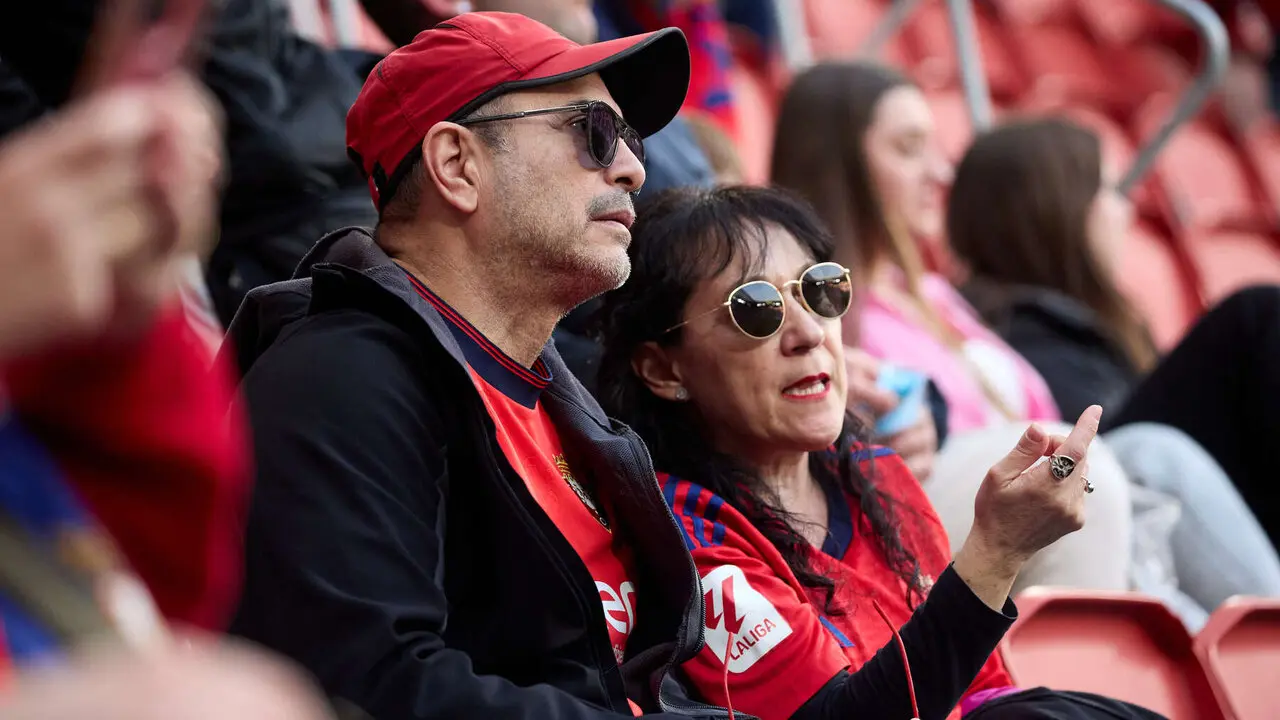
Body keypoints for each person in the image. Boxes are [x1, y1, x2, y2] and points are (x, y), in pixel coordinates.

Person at [225, 11, 735, 718]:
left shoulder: (561, 400)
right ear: (458, 165)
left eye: (629, 139)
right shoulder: (340, 380)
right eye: (592, 131)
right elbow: (369, 684)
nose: (633, 167)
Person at [594, 185, 1163, 720]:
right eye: (757, 308)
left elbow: (984, 692)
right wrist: (996, 553)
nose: (809, 333)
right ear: (664, 369)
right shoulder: (688, 541)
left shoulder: (877, 474)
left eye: (820, 290)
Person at [770, 60, 1135, 594]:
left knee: (1137, 471)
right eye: (908, 148)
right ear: (840, 165)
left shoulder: (935, 295)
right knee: (1110, 463)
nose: (939, 172)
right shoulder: (815, 311)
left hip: (1036, 513)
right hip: (913, 520)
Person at [946, 117, 1280, 605]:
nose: (1124, 209)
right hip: (1103, 487)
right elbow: (1080, 449)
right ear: (1056, 209)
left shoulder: (1082, 322)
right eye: (1107, 189)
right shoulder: (1014, 332)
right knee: (1252, 319)